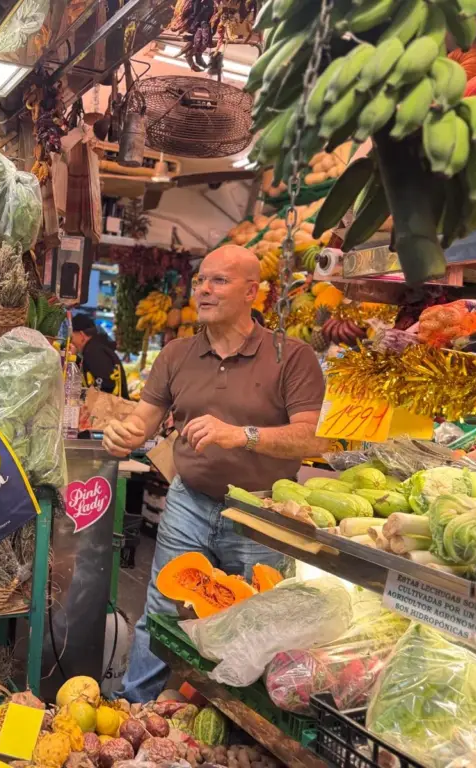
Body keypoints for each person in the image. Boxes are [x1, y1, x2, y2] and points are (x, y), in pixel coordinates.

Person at [103, 245, 329, 703]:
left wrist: (240, 435)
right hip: (189, 500)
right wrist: (122, 434)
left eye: (218, 281)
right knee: (163, 609)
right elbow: (143, 421)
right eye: (201, 280)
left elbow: (313, 440)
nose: (203, 289)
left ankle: (238, 723)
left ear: (253, 292)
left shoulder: (293, 356)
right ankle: (135, 709)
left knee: (254, 619)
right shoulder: (177, 354)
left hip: (260, 513)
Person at [70, 313, 130, 398]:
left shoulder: (94, 351)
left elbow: (106, 384)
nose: (72, 341)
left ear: (81, 335)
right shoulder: (97, 347)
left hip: (113, 409)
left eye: (73, 337)